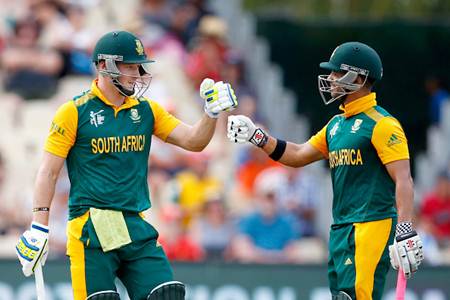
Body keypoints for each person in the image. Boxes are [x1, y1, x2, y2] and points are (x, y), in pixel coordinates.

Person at [15, 30, 237, 300]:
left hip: (134, 224)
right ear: (103, 66)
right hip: (90, 228)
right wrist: (39, 226)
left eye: (137, 67)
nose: (136, 74)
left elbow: (194, 141)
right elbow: (48, 172)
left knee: (167, 295)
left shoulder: (146, 110)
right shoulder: (73, 112)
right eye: (129, 67)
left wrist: (211, 113)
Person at [227, 41, 424, 300]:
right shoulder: (335, 125)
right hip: (341, 226)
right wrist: (257, 136)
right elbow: (297, 155)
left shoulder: (383, 124)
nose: (330, 78)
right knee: (342, 295)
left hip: (372, 224)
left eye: (336, 72)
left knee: (358, 296)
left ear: (359, 77)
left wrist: (405, 230)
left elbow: (403, 179)